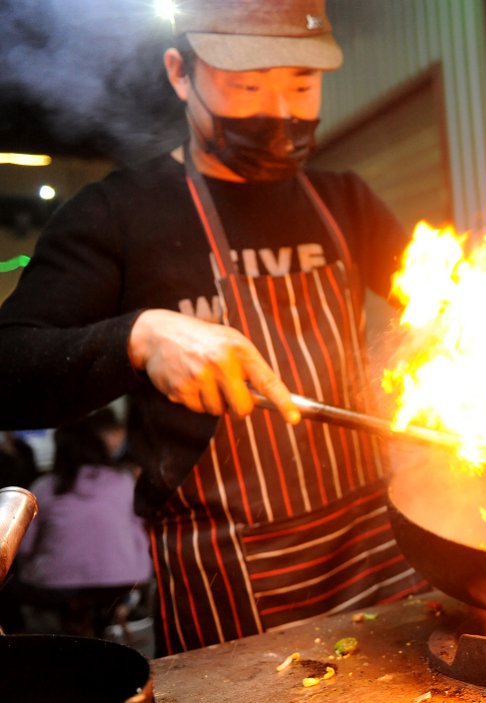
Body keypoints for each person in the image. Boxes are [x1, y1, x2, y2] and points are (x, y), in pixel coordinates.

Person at [0, 0, 423, 654]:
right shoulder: (119, 213)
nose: (281, 113)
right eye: (248, 85)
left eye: (302, 85)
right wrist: (137, 336)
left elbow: (454, 317)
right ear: (179, 72)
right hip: (229, 582)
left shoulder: (346, 200)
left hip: (377, 552)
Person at [16, 415, 151, 637]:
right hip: (121, 580)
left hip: (53, 585)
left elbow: (24, 545)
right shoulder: (124, 482)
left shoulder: (43, 488)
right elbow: (139, 531)